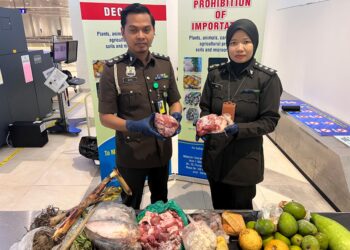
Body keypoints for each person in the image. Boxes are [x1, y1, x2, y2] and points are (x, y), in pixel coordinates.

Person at [98, 3, 182, 209]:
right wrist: (136, 125)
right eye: (133, 30)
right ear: (123, 32)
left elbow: (175, 101)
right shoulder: (113, 70)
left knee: (161, 203)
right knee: (129, 207)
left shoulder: (164, 64)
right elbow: (105, 117)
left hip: (161, 152)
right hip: (131, 155)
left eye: (146, 29)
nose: (141, 35)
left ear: (154, 32)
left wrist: (176, 116)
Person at [198, 19, 283, 209]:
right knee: (218, 208)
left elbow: (269, 121)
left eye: (246, 41)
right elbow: (205, 106)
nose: (239, 48)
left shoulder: (267, 79)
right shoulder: (215, 75)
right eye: (233, 42)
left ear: (255, 43)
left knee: (241, 213)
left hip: (244, 159)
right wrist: (206, 123)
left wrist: (238, 129)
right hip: (216, 155)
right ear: (227, 45)